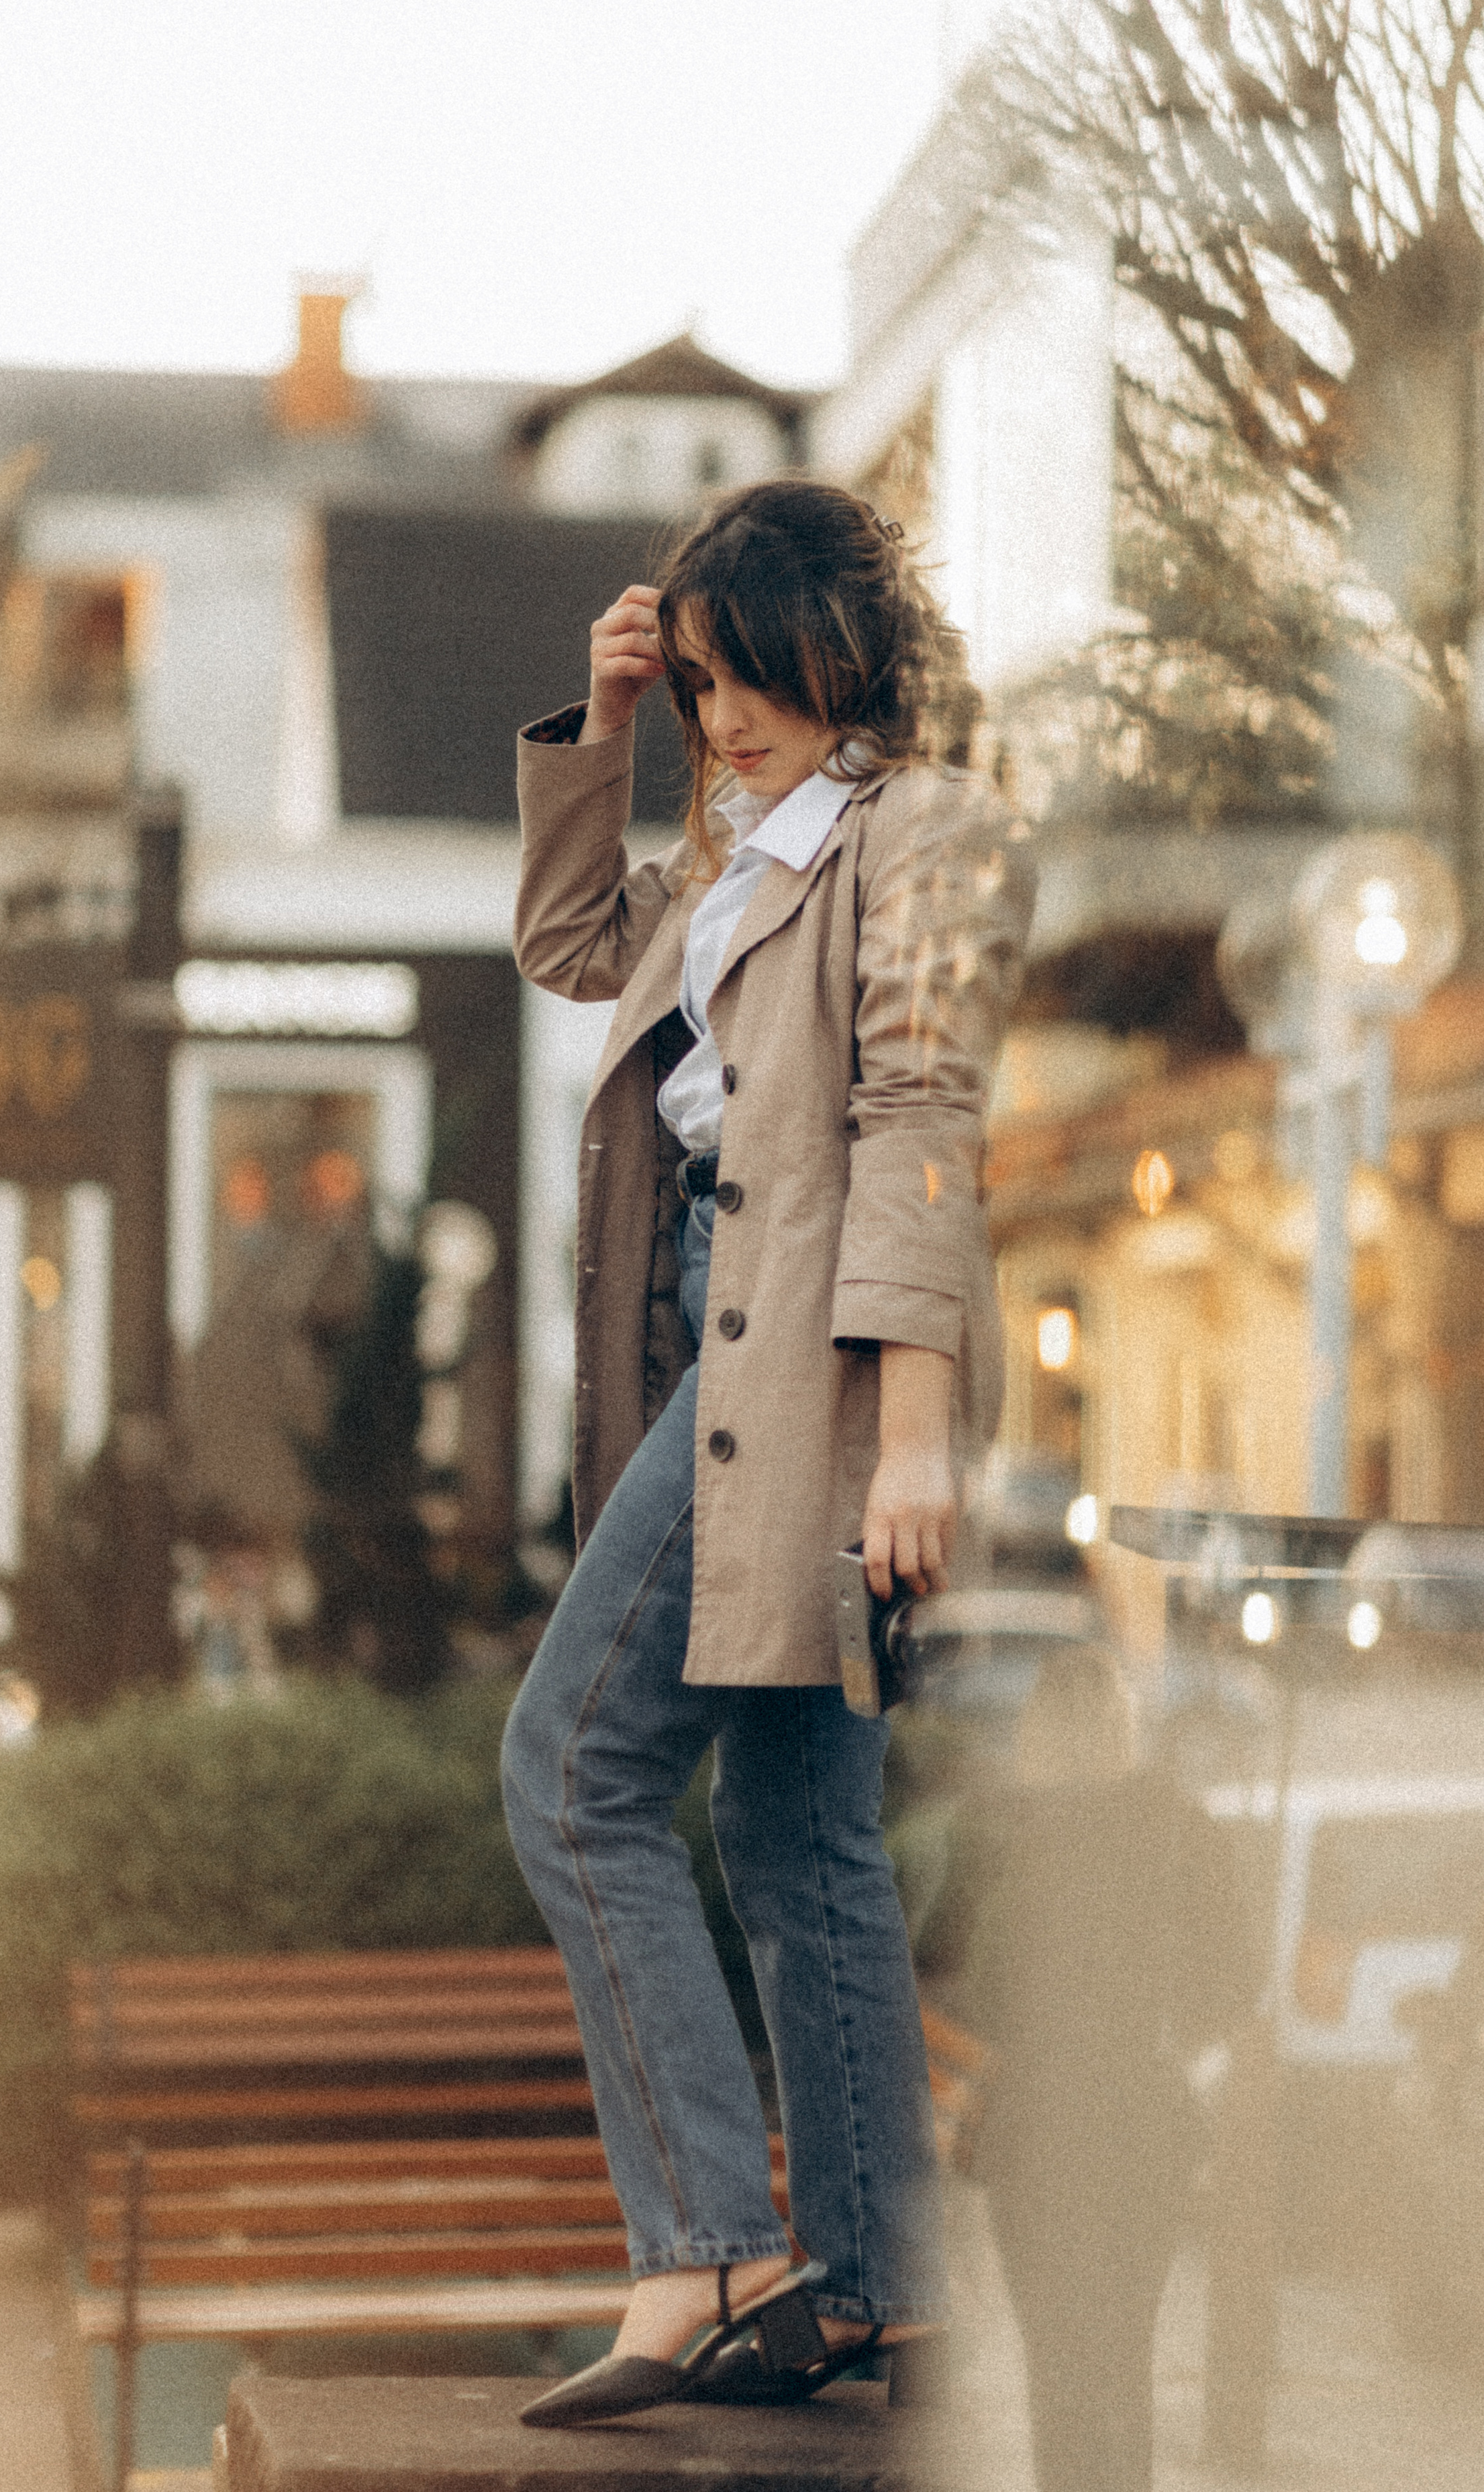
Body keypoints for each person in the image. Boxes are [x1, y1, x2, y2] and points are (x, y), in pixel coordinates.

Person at [499, 480, 1036, 2426]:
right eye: (706, 678)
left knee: (570, 1771)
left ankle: (705, 2246)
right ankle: (872, 2287)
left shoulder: (927, 834)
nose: (726, 713)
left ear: (846, 638)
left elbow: (918, 1128)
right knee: (801, 1837)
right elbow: (571, 942)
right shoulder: (743, 860)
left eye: (747, 671)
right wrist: (611, 720)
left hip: (811, 1372)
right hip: (707, 1353)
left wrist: (912, 1439)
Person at [956, 1644, 1253, 2492]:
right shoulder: (1179, 1825)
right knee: (1123, 2355)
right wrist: (1175, 2028)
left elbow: (984, 1984)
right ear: (1124, 1721)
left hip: (1037, 2128)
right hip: (1141, 2121)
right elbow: (1234, 1978)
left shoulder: (1010, 1829)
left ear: (1035, 1729)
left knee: (1056, 2366)